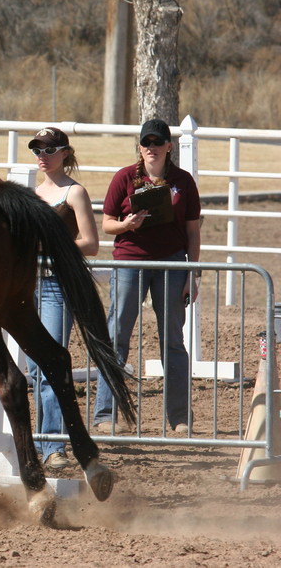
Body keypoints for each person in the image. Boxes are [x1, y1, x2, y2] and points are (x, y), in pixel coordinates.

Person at [94, 118, 201, 435]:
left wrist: (190, 274)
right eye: (146, 143)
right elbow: (107, 224)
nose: (151, 148)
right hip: (129, 261)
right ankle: (105, 414)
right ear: (139, 147)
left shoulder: (184, 181)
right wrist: (128, 224)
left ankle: (180, 417)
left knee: (173, 341)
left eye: (157, 142)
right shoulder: (124, 178)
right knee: (117, 337)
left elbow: (193, 232)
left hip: (172, 263)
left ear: (169, 146)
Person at [26, 127, 99, 471]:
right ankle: (47, 442)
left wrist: (53, 251)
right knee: (34, 367)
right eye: (38, 150)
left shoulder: (74, 192)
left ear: (65, 153)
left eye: (49, 150)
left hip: (55, 285)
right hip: (28, 285)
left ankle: (53, 444)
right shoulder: (33, 193)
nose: (42, 156)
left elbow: (91, 242)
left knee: (49, 363)